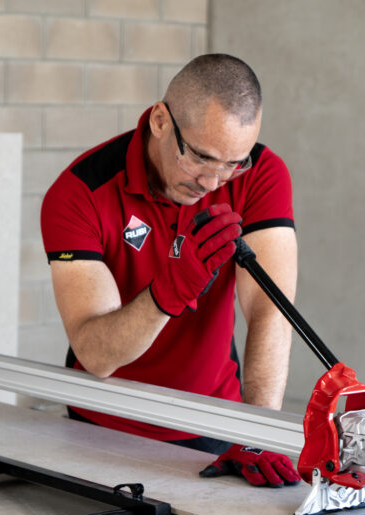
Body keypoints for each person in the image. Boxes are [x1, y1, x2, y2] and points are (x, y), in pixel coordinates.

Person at [40, 54, 301, 488]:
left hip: (211, 419)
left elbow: (270, 308)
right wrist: (169, 293)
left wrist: (259, 431)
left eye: (232, 164)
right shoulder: (79, 193)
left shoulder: (261, 174)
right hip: (101, 422)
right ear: (160, 120)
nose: (212, 183)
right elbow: (96, 355)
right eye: (200, 157)